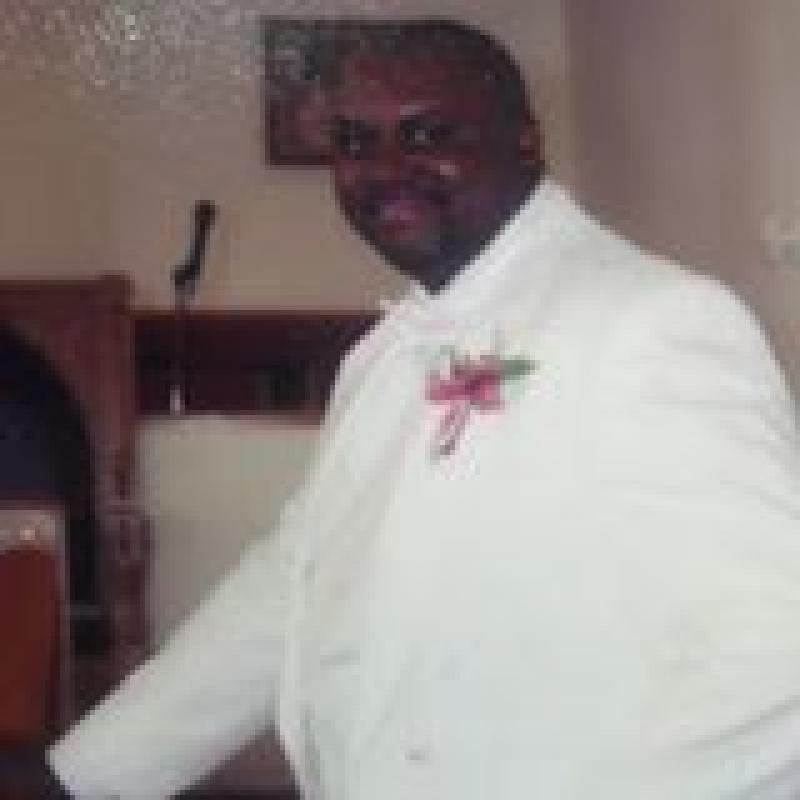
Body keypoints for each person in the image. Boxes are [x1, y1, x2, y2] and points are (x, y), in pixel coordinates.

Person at [31, 18, 800, 799]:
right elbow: (293, 587)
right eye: (355, 142)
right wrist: (78, 778)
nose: (386, 170)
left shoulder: (650, 320)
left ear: (525, 141)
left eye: (429, 134)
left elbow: (779, 661)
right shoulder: (387, 353)